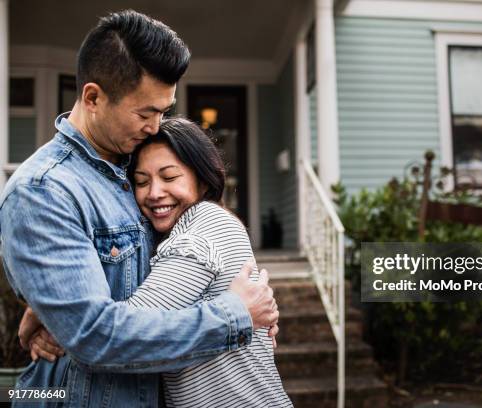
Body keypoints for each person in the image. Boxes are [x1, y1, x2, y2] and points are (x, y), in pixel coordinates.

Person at [0, 10, 278, 407]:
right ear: (93, 97)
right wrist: (234, 316)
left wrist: (47, 311)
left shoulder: (130, 165)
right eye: (145, 113)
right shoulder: (44, 191)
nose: (155, 126)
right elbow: (96, 336)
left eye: (163, 111)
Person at [123, 117, 292, 407]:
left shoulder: (205, 223)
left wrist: (60, 320)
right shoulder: (181, 231)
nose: (153, 193)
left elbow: (128, 332)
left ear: (202, 180)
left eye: (169, 176)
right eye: (141, 181)